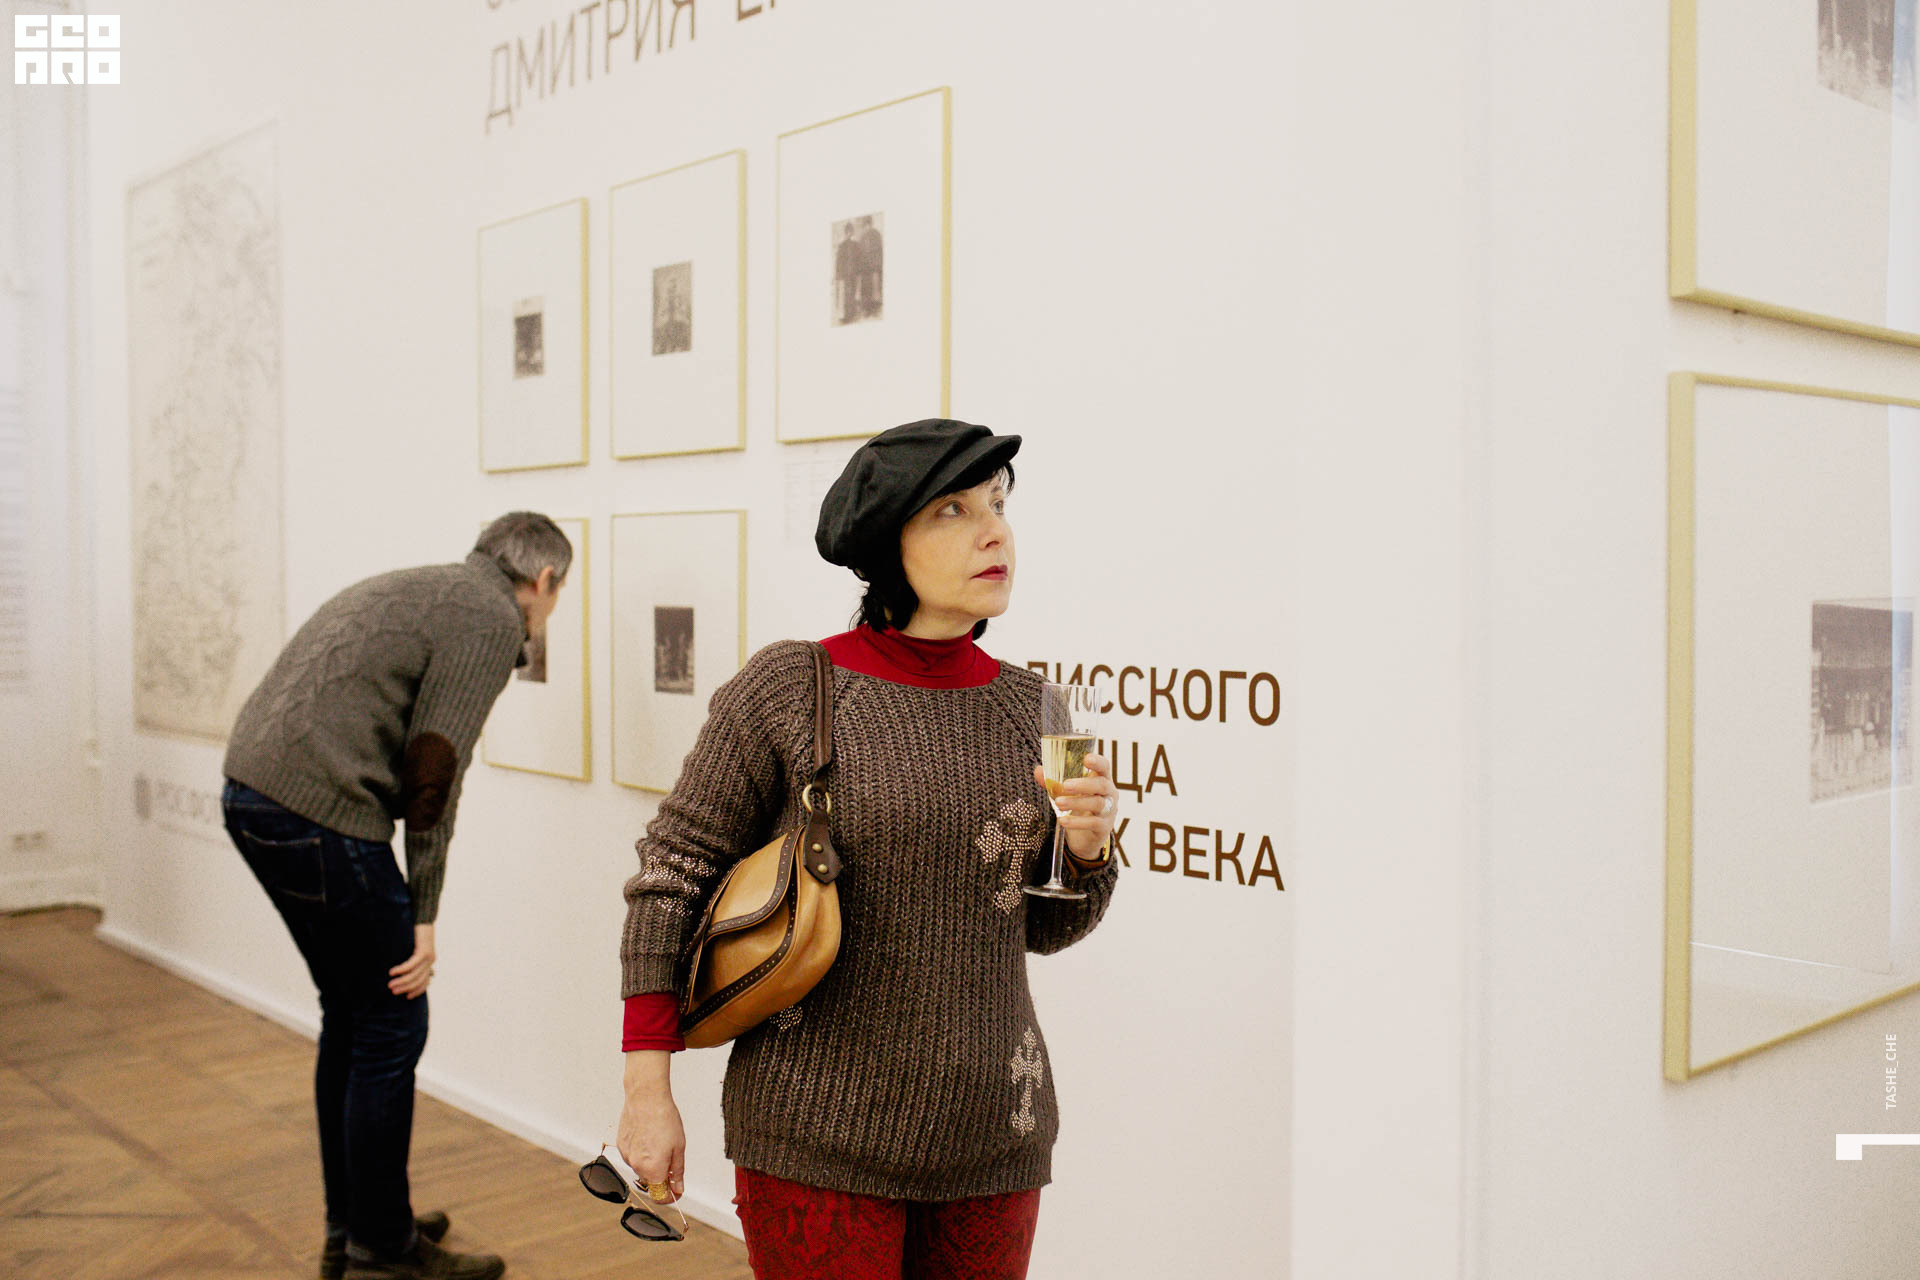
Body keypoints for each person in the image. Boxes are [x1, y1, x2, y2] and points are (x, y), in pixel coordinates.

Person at [615, 420, 1121, 1279]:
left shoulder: (1041, 707)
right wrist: (647, 1091)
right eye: (954, 510)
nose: (994, 533)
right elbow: (672, 876)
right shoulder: (791, 687)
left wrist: (1087, 850)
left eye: (998, 504)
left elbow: (1042, 929)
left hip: (996, 1131)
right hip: (817, 1131)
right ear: (887, 544)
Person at [221, 512, 573, 1280]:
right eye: (555, 599)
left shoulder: (421, 586)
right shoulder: (490, 616)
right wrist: (424, 913)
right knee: (391, 1019)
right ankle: (381, 1250)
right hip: (316, 814)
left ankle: (357, 1222)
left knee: (353, 1015)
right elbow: (433, 775)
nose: (548, 615)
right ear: (543, 580)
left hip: (252, 793)